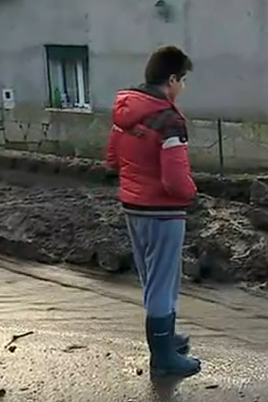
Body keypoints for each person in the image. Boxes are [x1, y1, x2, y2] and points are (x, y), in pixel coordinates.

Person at [105, 46, 201, 380]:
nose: (183, 88)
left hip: (133, 206)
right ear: (171, 79)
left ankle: (166, 339)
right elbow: (175, 179)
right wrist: (192, 194)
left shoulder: (126, 113)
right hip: (163, 211)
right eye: (183, 80)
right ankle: (163, 359)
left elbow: (113, 160)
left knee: (151, 277)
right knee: (164, 282)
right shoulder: (168, 119)